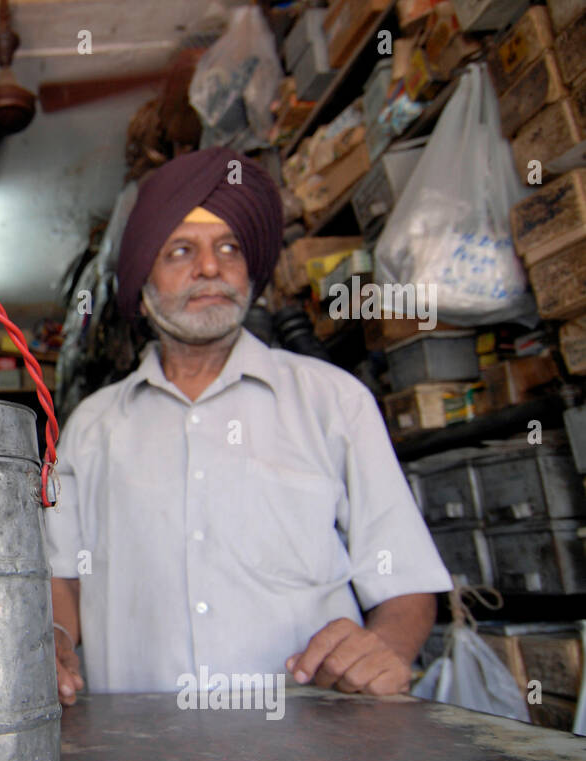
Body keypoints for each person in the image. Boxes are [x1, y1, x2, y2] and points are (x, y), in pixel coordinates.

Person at [46, 146, 452, 702]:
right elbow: (64, 576)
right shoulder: (92, 428)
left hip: (313, 755)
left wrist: (388, 647)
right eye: (181, 250)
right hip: (138, 758)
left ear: (250, 271)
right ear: (142, 285)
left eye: (229, 248)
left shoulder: (333, 401)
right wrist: (57, 639)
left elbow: (404, 582)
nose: (209, 267)